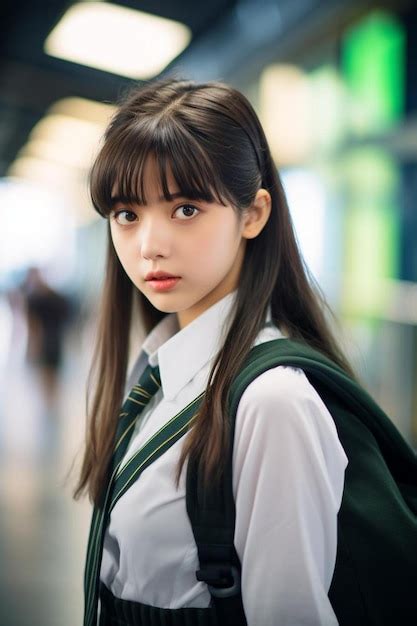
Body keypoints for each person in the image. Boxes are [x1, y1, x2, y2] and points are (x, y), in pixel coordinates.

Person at [74, 78, 355, 626]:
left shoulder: (272, 402)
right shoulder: (158, 373)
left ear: (252, 214)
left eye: (185, 209)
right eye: (127, 214)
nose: (149, 244)